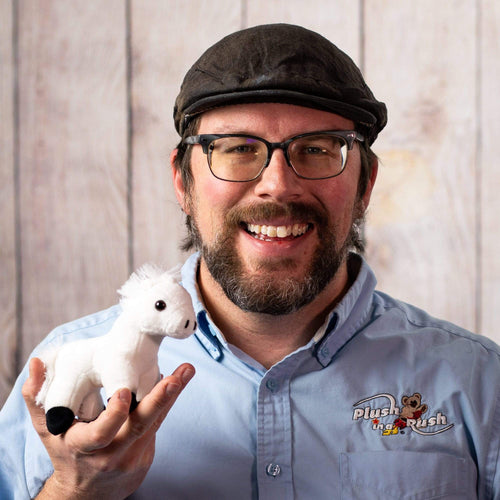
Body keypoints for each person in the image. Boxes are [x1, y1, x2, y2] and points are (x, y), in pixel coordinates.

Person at [0, 23, 499, 500]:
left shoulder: (476, 381)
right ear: (184, 183)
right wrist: (73, 490)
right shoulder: (61, 365)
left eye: (319, 149)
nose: (278, 184)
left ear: (365, 185)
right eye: (237, 148)